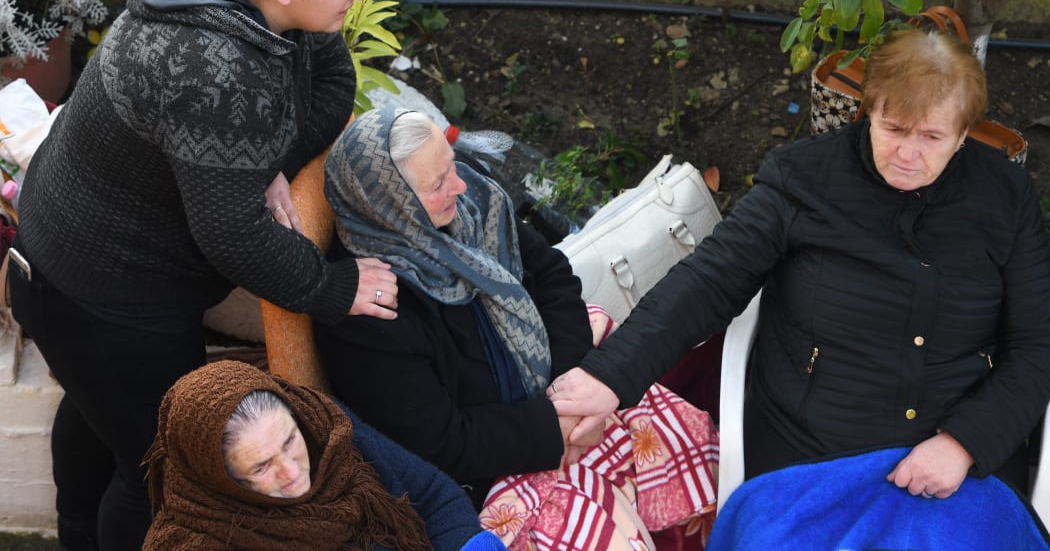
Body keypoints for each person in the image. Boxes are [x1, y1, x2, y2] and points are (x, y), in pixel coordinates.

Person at [6, 0, 399, 551]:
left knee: (105, 415)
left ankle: (77, 535)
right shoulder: (210, 69)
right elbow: (232, 233)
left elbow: (335, 84)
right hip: (101, 297)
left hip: (70, 266)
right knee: (163, 470)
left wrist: (264, 154)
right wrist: (338, 287)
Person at [548, 29, 1050, 503]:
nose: (908, 153)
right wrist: (609, 377)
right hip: (811, 450)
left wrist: (963, 444)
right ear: (868, 110)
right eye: (893, 128)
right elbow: (709, 281)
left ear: (963, 135)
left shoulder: (1005, 197)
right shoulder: (803, 178)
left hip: (953, 469)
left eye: (933, 137)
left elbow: (1035, 345)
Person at [319, 107, 720, 550]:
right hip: (495, 469)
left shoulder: (476, 207)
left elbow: (552, 275)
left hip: (558, 392)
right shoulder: (369, 314)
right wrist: (555, 426)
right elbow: (442, 442)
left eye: (451, 163)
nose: (460, 185)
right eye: (437, 184)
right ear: (390, 207)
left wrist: (572, 383)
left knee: (691, 451)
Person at [142, 359, 505, 550]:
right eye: (262, 465)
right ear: (220, 480)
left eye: (288, 442)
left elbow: (432, 494)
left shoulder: (326, 429)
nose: (291, 472)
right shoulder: (199, 541)